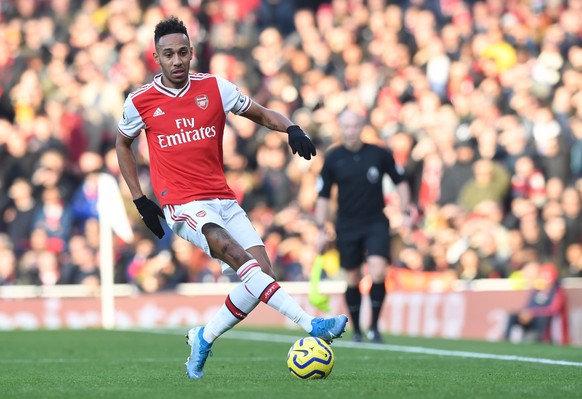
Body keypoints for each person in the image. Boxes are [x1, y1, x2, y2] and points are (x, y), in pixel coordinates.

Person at [115, 16, 347, 379]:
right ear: (156, 58)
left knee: (259, 277)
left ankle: (204, 337)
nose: (176, 61)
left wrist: (292, 128)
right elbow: (122, 143)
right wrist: (139, 198)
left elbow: (260, 114)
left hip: (222, 197)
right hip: (182, 204)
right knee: (235, 254)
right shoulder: (141, 101)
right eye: (167, 54)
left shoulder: (215, 88)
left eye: (182, 53)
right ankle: (311, 324)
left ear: (191, 53)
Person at [314, 110, 411, 343]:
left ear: (362, 127)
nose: (350, 131)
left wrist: (406, 211)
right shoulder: (334, 157)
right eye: (346, 127)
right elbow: (324, 195)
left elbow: (400, 181)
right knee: (352, 276)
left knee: (378, 270)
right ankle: (357, 329)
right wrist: (321, 227)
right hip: (346, 224)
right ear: (340, 129)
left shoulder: (378, 154)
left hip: (375, 220)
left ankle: (374, 327)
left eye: (354, 126)